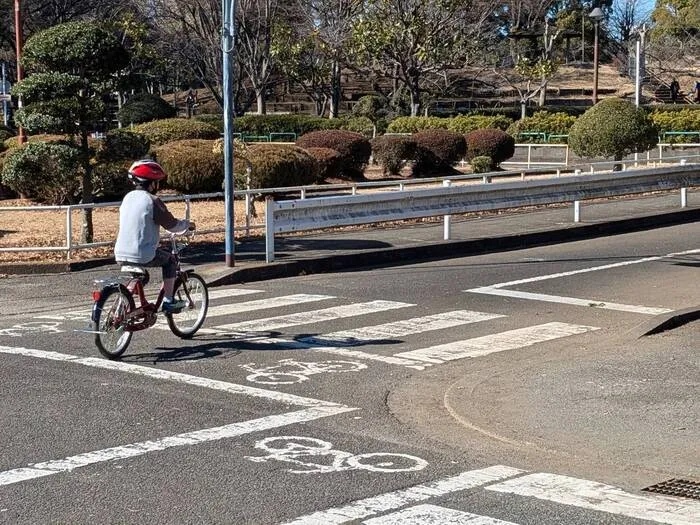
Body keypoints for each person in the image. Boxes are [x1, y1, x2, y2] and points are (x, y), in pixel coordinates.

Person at [114, 160, 195, 314]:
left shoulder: (128, 198)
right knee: (170, 260)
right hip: (141, 253)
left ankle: (125, 302)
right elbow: (171, 225)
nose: (158, 185)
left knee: (141, 277)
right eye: (157, 182)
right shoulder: (152, 201)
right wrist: (188, 224)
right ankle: (169, 301)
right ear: (151, 183)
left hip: (121, 252)